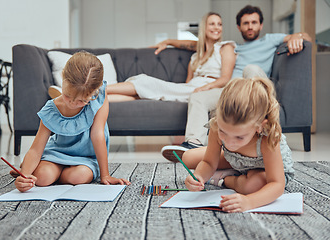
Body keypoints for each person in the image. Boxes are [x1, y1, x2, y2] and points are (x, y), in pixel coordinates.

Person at [160, 5, 311, 162]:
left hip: (256, 89)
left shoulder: (270, 40)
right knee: (198, 97)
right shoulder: (232, 48)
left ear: (261, 25)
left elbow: (306, 36)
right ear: (239, 27)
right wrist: (169, 41)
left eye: (254, 22)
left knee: (250, 69)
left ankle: (255, 129)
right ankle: (194, 145)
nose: (250, 26)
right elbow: (196, 45)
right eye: (246, 23)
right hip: (232, 92)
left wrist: (296, 37)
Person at [10, 51, 130, 192]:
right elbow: (36, 148)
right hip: (57, 153)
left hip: (85, 158)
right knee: (42, 178)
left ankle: (41, 169)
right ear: (63, 78)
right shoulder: (51, 109)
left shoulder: (100, 98)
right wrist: (25, 176)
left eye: (82, 101)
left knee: (78, 177)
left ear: (95, 92)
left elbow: (97, 134)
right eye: (68, 96)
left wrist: (105, 175)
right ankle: (32, 168)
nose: (73, 103)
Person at [184, 77, 294, 213]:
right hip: (237, 159)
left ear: (259, 127)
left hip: (264, 169)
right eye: (224, 132)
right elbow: (208, 162)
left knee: (252, 186)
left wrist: (249, 202)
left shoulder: (267, 139)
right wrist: (199, 176)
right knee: (187, 157)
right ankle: (229, 171)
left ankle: (223, 179)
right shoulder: (217, 126)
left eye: (239, 137)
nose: (229, 142)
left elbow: (277, 184)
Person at [106, 12, 236, 103]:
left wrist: (204, 88)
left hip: (206, 90)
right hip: (190, 89)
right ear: (204, 27)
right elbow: (188, 80)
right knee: (143, 95)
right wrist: (167, 41)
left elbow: (225, 79)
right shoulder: (196, 56)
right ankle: (97, 97)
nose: (216, 28)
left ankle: (99, 89)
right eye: (212, 24)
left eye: (219, 24)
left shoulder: (225, 47)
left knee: (144, 82)